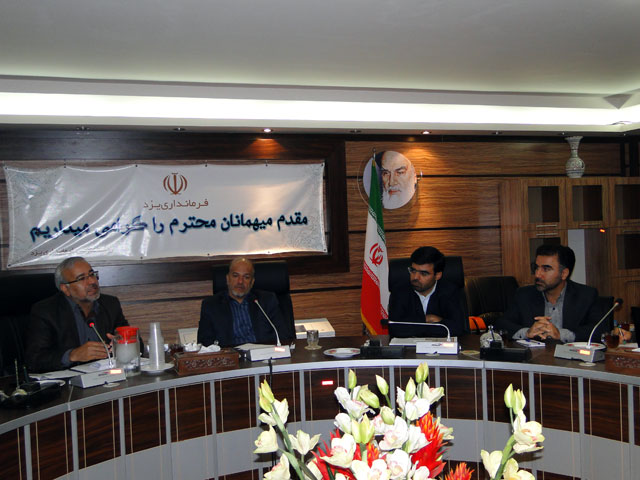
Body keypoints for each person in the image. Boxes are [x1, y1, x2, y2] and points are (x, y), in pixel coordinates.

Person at [25, 257, 129, 372]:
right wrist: (72, 355)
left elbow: (136, 341)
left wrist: (123, 344)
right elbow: (34, 360)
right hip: (68, 379)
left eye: (92, 274)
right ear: (65, 289)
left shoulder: (110, 304)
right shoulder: (46, 311)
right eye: (82, 278)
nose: (92, 281)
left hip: (107, 375)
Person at [495, 244, 604, 343]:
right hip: (535, 356)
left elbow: (600, 331)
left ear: (564, 273)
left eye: (546, 269)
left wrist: (560, 334)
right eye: (536, 268)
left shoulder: (586, 295)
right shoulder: (524, 294)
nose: (538, 274)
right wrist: (527, 332)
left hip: (571, 357)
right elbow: (501, 324)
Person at [198, 258, 293, 347]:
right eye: (235, 276)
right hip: (232, 356)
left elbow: (283, 335)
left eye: (246, 277)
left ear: (252, 282)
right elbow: (205, 342)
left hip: (264, 354)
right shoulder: (211, 305)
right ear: (227, 279)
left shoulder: (266, 301)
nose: (240, 281)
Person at [387, 246, 468, 337]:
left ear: (438, 275)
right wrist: (429, 319)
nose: (415, 277)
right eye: (413, 271)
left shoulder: (450, 292)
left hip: (441, 345)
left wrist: (413, 326)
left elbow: (457, 328)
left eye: (423, 273)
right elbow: (395, 329)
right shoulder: (399, 291)